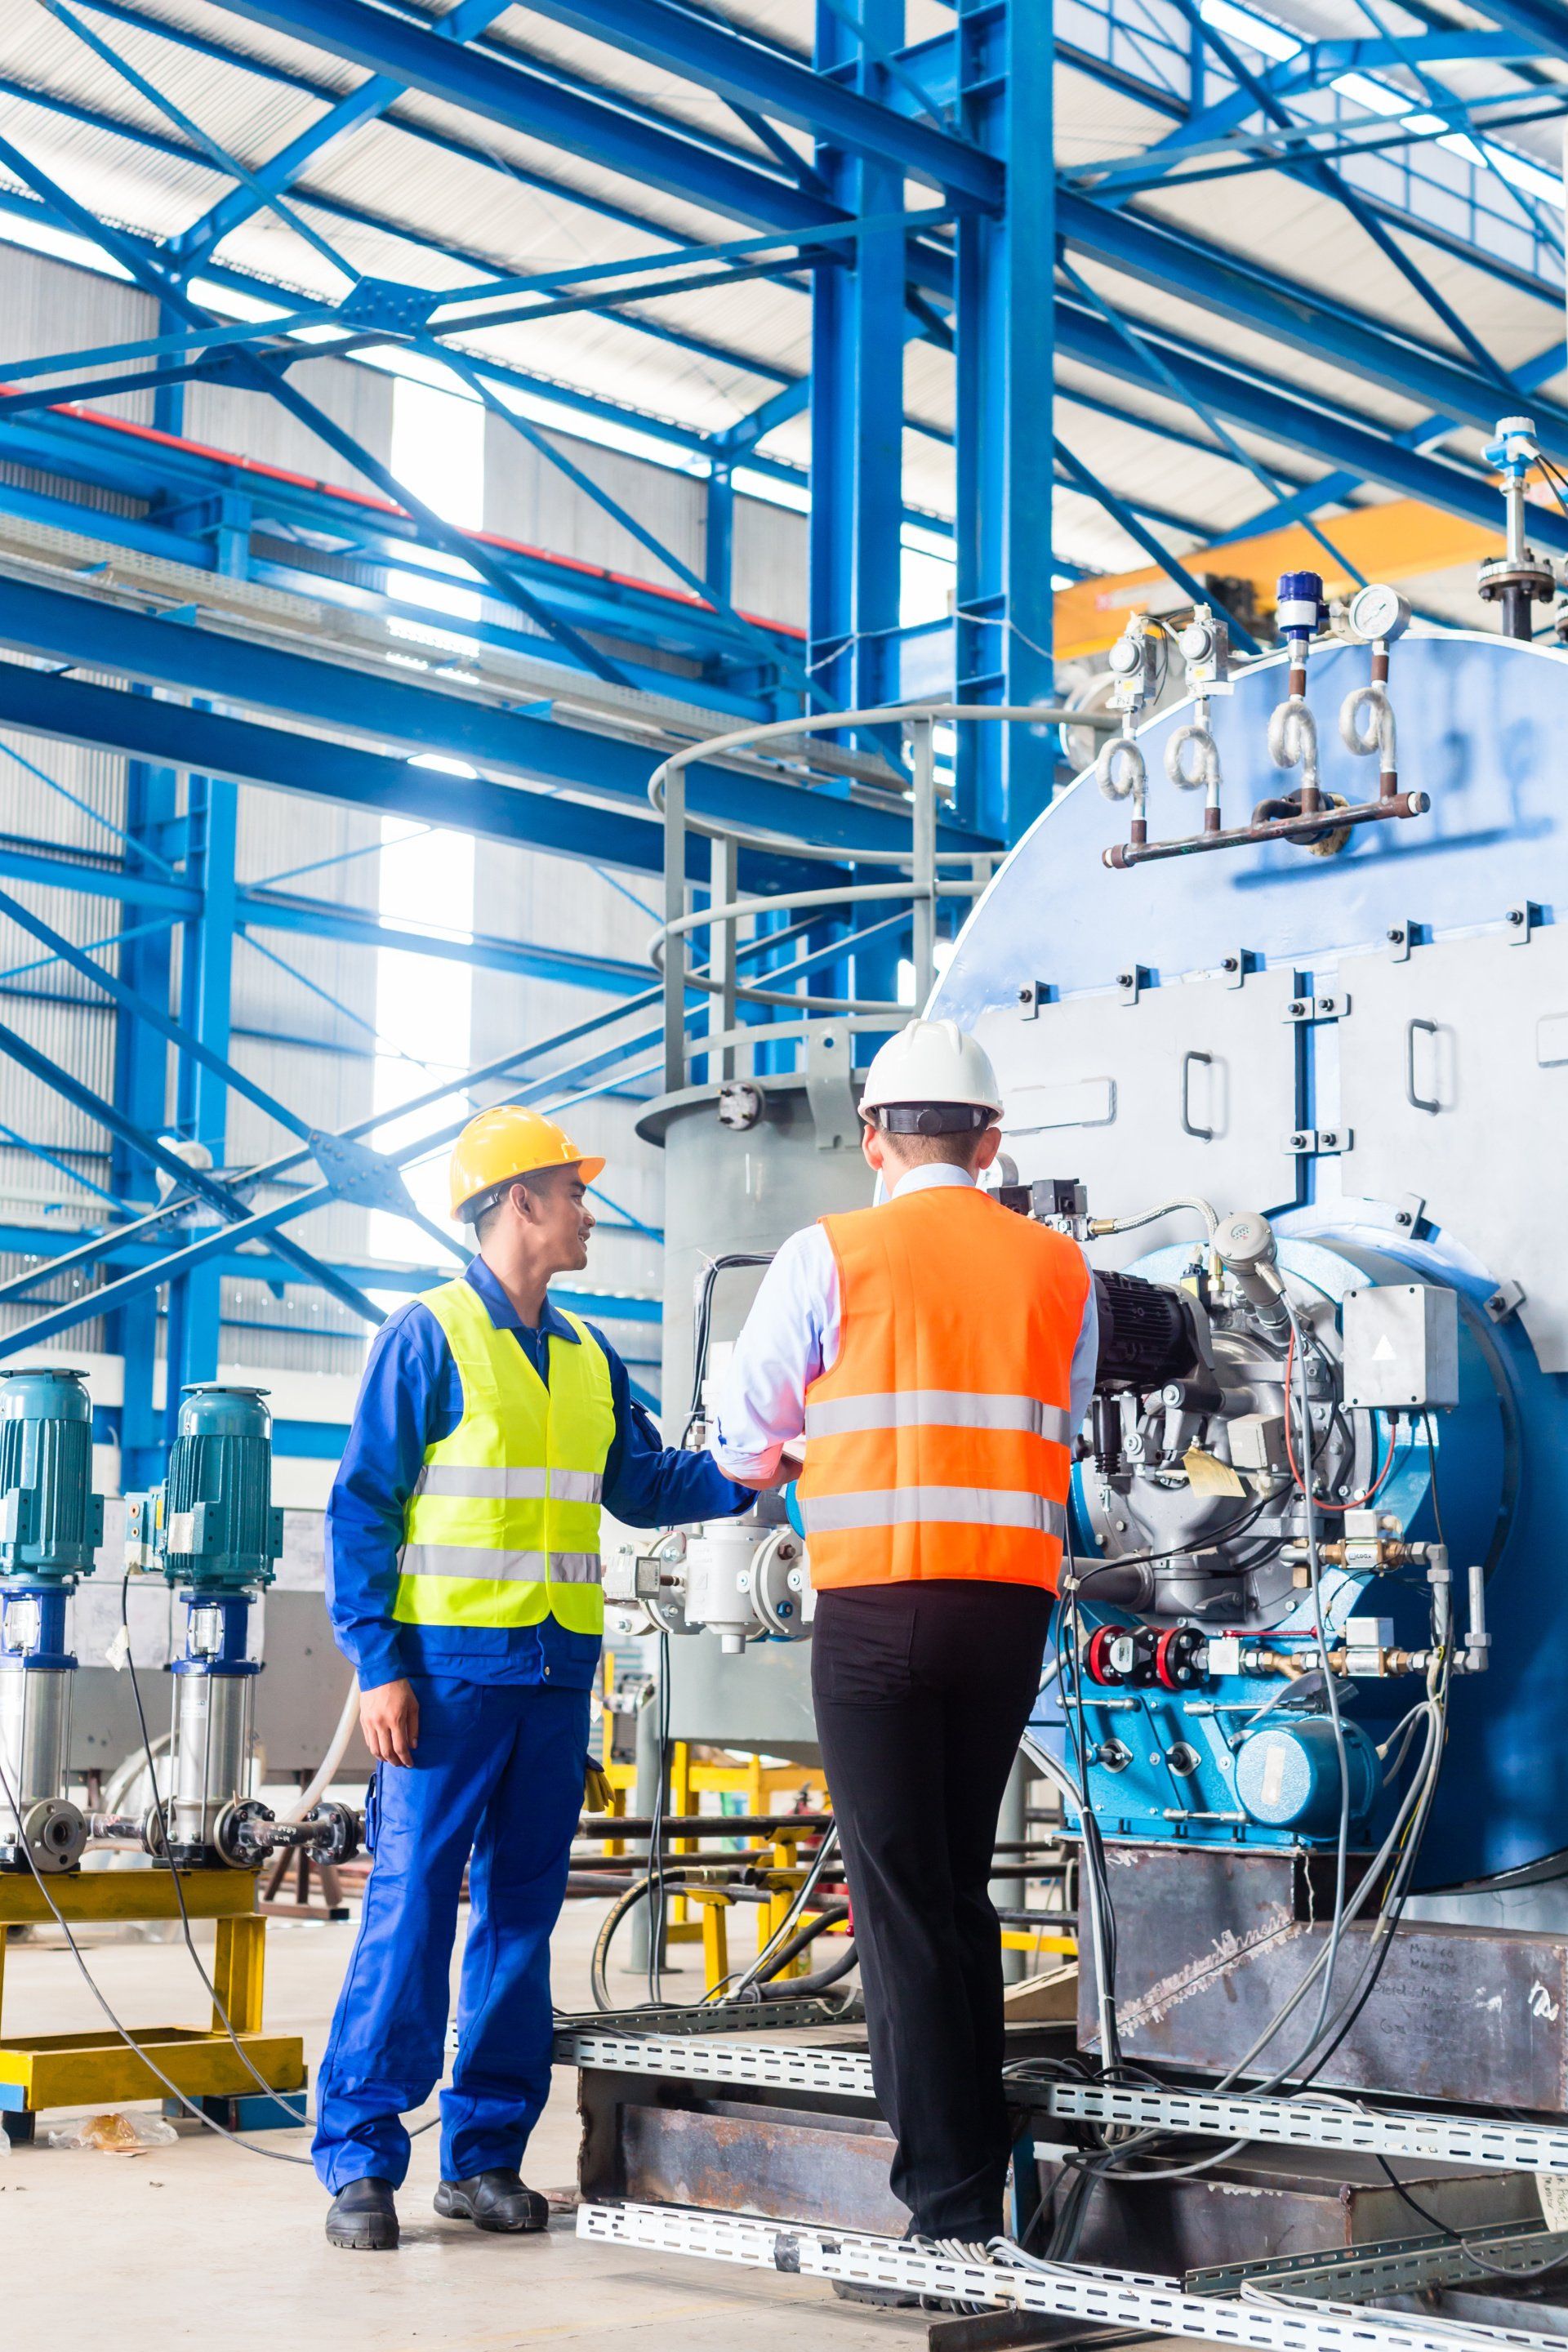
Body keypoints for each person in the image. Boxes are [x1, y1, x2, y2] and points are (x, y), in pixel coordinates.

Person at [314, 1105, 751, 2251]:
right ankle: (361, 2161)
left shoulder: (585, 1352)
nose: (588, 1213)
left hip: (556, 1677)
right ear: (521, 1205)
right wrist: (378, 1663)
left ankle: (484, 2157)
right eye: (572, 1192)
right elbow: (361, 1506)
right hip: (445, 1681)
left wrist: (758, 1470)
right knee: (410, 1915)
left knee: (519, 1921)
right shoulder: (429, 1335)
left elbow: (645, 1484)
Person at [710, 1018, 1098, 2274]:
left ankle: (948, 2209)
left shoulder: (829, 1254)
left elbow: (743, 1437)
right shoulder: (1061, 1272)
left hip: (876, 1613)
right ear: (992, 1142)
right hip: (1006, 1617)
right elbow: (1067, 1420)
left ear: (873, 1137)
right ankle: (966, 2179)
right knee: (956, 1888)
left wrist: (788, 1450)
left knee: (899, 1900)